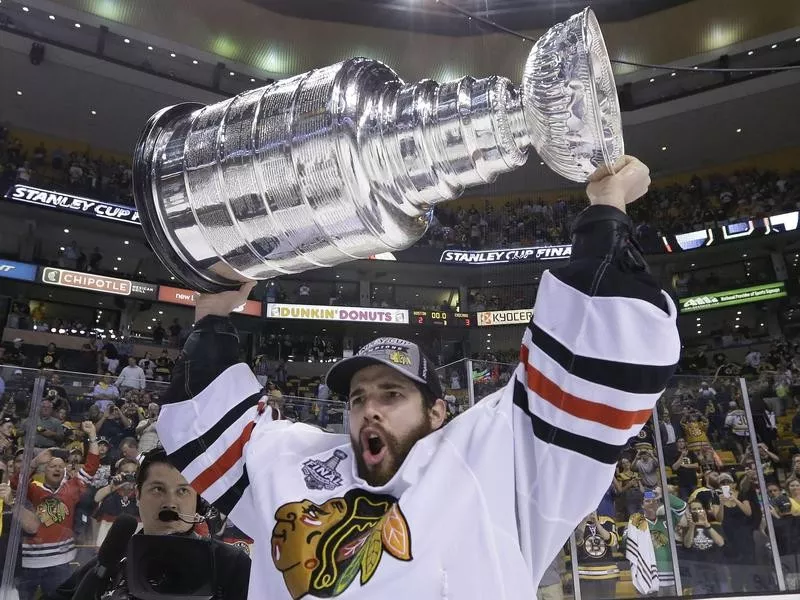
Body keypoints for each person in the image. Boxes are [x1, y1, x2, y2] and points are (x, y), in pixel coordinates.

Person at [155, 157, 680, 598]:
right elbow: (210, 430)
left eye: (392, 393)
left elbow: (592, 354)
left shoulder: (501, 462)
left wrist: (607, 207)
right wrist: (214, 317)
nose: (370, 408)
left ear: (437, 411)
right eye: (358, 397)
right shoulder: (303, 464)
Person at [50, 448, 251, 600]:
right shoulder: (110, 562)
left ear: (197, 500)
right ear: (138, 495)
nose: (170, 503)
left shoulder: (229, 564)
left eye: (183, 491)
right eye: (157, 489)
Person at [18, 423, 99, 600]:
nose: (57, 469)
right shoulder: (35, 489)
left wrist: (92, 435)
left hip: (61, 562)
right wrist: (34, 462)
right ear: (44, 470)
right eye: (52, 466)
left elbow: (91, 465)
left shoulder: (72, 488)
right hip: (30, 562)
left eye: (61, 467)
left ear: (64, 471)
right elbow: (16, 483)